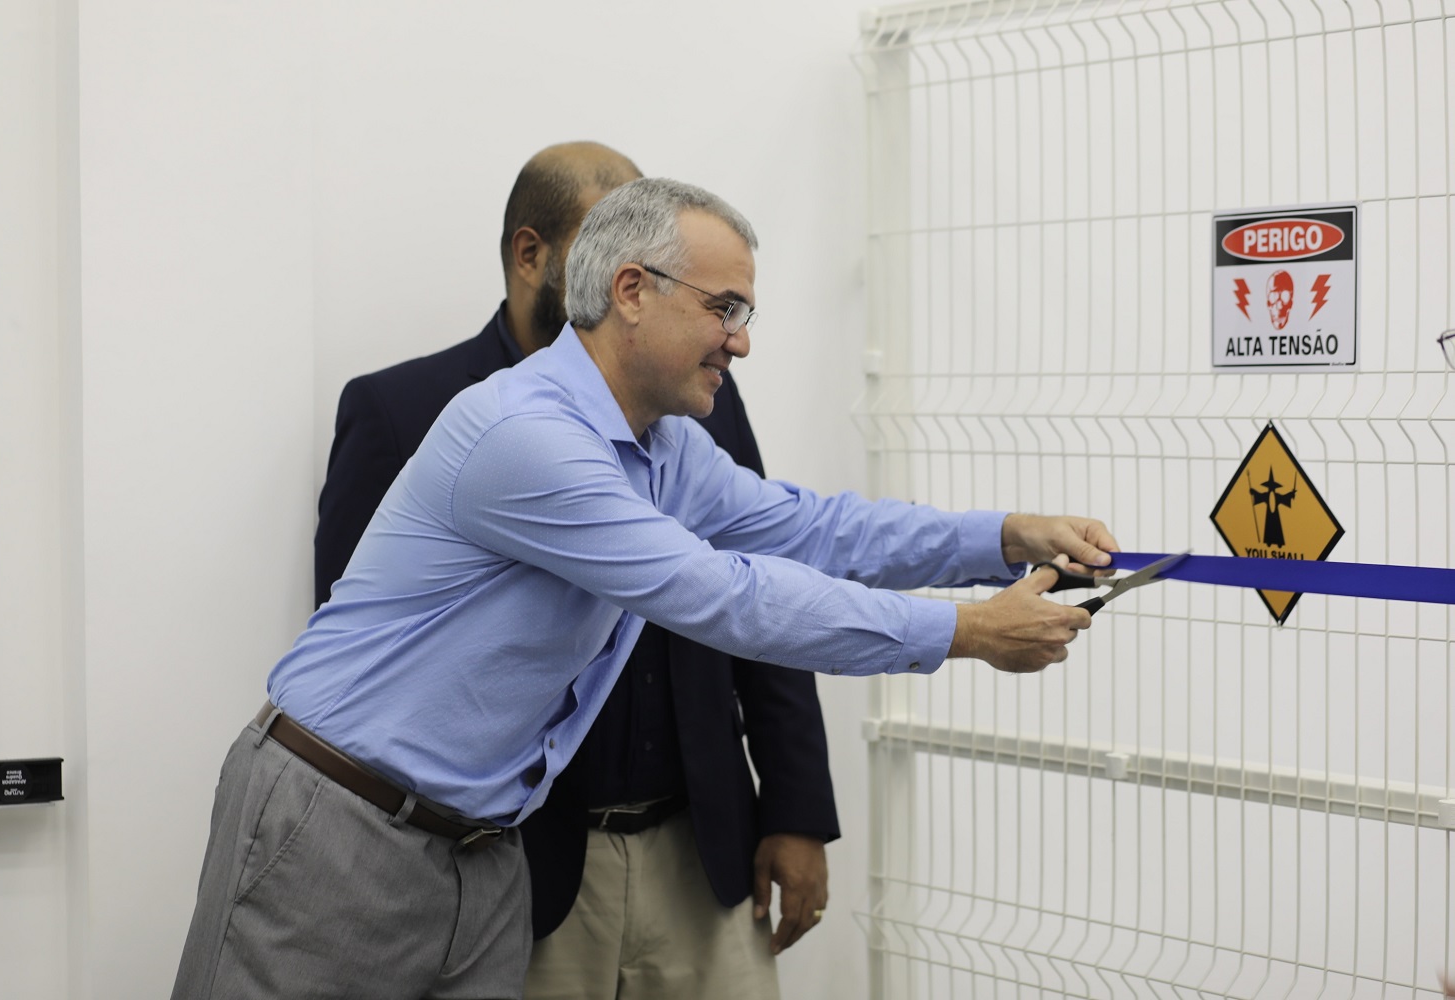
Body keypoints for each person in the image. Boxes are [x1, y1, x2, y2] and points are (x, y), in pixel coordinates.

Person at [171, 176, 1116, 1000]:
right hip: (342, 827)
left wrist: (999, 537)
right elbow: (723, 595)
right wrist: (967, 633)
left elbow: (809, 527)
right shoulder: (526, 437)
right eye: (727, 308)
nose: (741, 342)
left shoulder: (664, 447)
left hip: (481, 848)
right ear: (632, 292)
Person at [312, 141, 840, 999]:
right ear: (532, 255)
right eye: (614, 242)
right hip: (517, 863)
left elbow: (763, 572)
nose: (635, 266)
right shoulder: (408, 410)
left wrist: (794, 806)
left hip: (701, 843)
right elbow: (360, 645)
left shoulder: (698, 388)